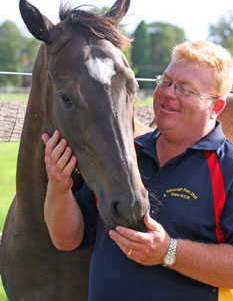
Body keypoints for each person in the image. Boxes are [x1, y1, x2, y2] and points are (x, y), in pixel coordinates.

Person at [42, 41, 233, 301]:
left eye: (185, 89)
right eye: (165, 81)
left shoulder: (228, 167)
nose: (168, 93)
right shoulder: (125, 153)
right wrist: (59, 185)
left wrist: (169, 251)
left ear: (216, 107)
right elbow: (68, 239)